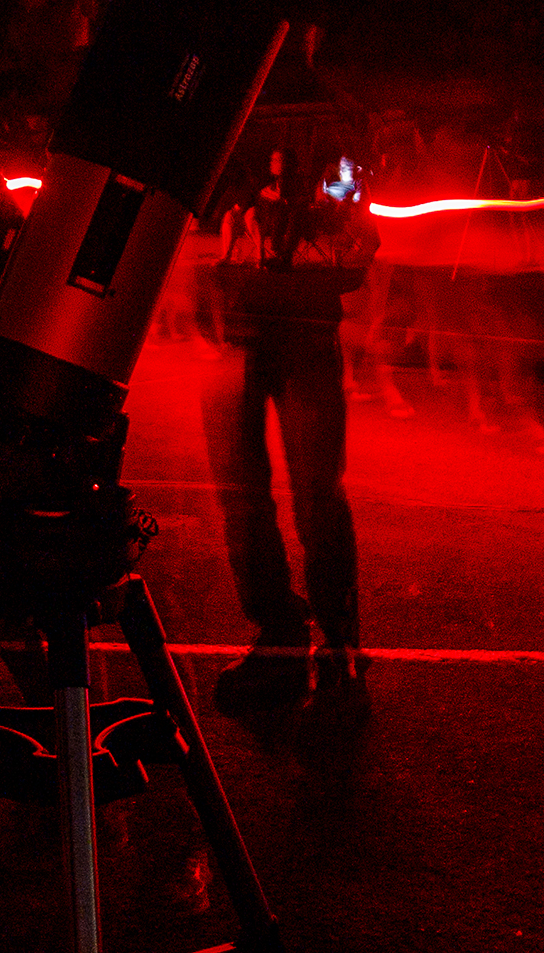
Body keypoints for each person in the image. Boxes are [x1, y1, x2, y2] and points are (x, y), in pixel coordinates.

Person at [202, 157, 368, 720]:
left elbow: (357, 254)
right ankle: (280, 636)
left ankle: (336, 644)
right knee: (240, 497)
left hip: (302, 341)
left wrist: (323, 212)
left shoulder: (328, 163)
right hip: (242, 336)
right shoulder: (239, 189)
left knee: (316, 495)